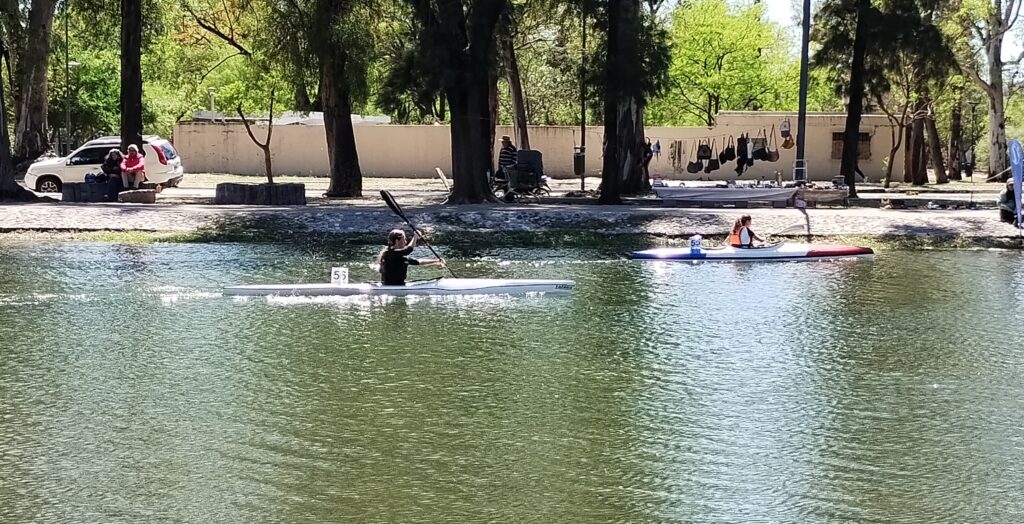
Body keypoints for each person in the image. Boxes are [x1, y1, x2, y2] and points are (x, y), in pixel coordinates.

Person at [378, 229, 444, 286]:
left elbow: (418, 262)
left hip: (400, 284)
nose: (405, 242)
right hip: (390, 285)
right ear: (397, 241)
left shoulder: (400, 257)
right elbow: (408, 249)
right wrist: (415, 236)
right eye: (404, 239)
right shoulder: (390, 254)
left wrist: (437, 261)